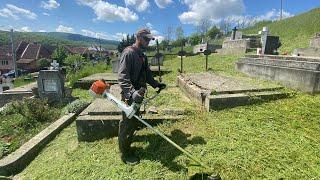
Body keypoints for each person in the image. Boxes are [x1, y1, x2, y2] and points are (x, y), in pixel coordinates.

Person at [118, 28, 166, 165]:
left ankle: (127, 146)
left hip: (139, 95)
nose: (148, 42)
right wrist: (132, 92)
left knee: (133, 122)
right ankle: (125, 154)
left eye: (150, 39)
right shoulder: (128, 53)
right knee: (127, 124)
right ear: (138, 37)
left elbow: (147, 75)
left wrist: (156, 84)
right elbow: (122, 77)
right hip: (130, 96)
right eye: (146, 39)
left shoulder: (142, 56)